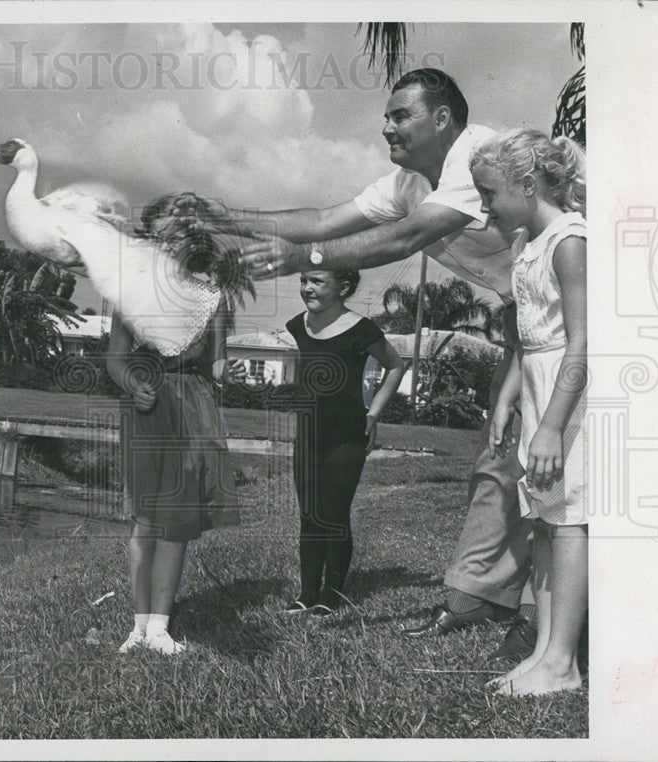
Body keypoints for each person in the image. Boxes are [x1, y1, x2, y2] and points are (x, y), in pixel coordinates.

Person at [176, 68, 537, 661]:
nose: (386, 125)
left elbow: (400, 242)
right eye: (387, 115)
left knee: (550, 466)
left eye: (401, 115)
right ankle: (481, 594)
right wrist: (222, 218)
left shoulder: (480, 159)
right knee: (499, 457)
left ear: (442, 119)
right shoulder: (405, 182)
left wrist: (307, 256)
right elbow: (320, 220)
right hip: (521, 316)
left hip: (575, 304)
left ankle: (537, 613)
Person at [471, 129, 588, 695]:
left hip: (568, 399)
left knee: (567, 520)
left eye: (489, 193)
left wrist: (551, 425)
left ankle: (564, 658)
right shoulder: (528, 245)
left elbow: (580, 343)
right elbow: (528, 339)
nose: (485, 205)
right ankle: (543, 650)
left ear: (526, 183)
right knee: (543, 518)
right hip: (540, 388)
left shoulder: (569, 240)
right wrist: (506, 396)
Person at [106, 194, 248, 655]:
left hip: (194, 409)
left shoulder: (213, 298)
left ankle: (161, 627)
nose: (172, 245)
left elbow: (220, 363)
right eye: (164, 237)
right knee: (146, 520)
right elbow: (116, 359)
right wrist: (131, 382)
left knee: (177, 521)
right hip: (148, 407)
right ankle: (138, 625)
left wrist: (232, 374)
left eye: (182, 235)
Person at [285, 269, 404, 615]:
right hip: (307, 434)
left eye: (317, 282)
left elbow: (395, 366)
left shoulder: (362, 329)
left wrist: (373, 413)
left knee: (333, 515)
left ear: (343, 288)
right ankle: (307, 593)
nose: (307, 287)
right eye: (304, 279)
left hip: (348, 435)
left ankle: (330, 595)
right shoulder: (298, 325)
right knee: (309, 514)